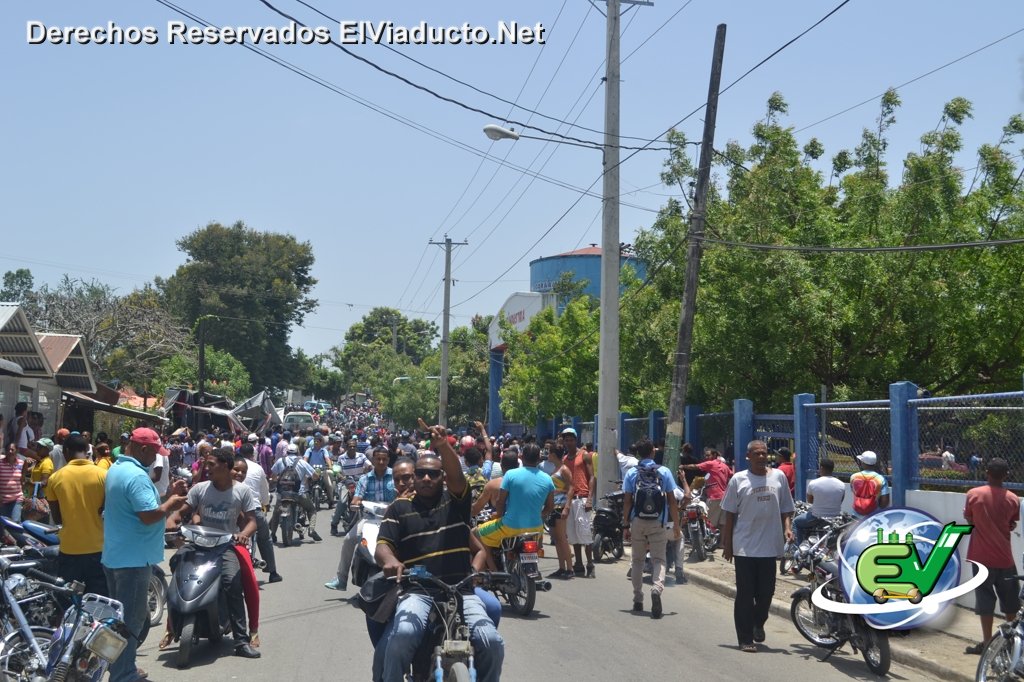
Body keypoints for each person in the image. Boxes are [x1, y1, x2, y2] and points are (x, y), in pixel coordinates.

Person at [373, 423, 503, 682]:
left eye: (433, 474)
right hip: (418, 592)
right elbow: (383, 545)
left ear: (443, 477)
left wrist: (443, 446)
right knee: (403, 635)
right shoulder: (398, 509)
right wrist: (390, 561)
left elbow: (457, 477)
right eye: (420, 474)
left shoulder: (456, 502)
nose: (426, 479)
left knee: (492, 642)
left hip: (461, 591)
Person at [103, 428, 188, 682]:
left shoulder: (117, 469)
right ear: (142, 449)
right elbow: (149, 516)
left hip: (117, 554)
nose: (157, 458)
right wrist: (171, 504)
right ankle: (123, 674)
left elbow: (143, 504)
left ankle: (121, 666)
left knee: (118, 620)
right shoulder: (137, 476)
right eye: (155, 453)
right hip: (132, 559)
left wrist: (167, 494)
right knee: (131, 620)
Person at [175, 448, 261, 658]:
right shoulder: (200, 489)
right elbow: (181, 512)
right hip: (198, 544)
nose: (207, 467)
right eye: (206, 463)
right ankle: (173, 626)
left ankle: (241, 641)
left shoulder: (242, 491)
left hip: (225, 546)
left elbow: (252, 521)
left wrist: (243, 534)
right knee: (176, 563)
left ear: (225, 466)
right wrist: (172, 523)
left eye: (211, 464)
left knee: (232, 582)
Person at [721, 440, 794, 653]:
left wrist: (787, 528)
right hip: (744, 546)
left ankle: (758, 622)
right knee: (745, 593)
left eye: (764, 454)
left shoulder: (778, 476)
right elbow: (730, 513)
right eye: (757, 454)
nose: (761, 457)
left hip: (769, 545)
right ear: (748, 457)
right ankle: (745, 638)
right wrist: (728, 544)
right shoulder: (738, 479)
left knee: (767, 592)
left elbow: (786, 509)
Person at [964, 458, 1021, 655]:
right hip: (1005, 558)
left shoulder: (973, 494)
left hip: (981, 558)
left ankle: (987, 642)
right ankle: (1012, 643)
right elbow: (1012, 524)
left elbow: (969, 519)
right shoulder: (1014, 499)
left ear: (987, 472)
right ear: (1006, 475)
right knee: (1011, 602)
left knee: (985, 601)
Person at [622, 440, 680, 618]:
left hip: (638, 521)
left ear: (638, 454)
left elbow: (627, 501)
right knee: (659, 560)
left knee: (637, 561)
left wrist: (625, 524)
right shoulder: (664, 472)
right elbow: (671, 500)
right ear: (653, 453)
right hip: (658, 522)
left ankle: (638, 599)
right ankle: (656, 588)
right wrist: (676, 524)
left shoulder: (631, 473)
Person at [475, 443, 554, 570]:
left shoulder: (510, 475)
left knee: (477, 533)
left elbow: (500, 501)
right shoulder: (547, 479)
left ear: (521, 457)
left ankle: (494, 570)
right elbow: (550, 507)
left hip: (510, 526)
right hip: (536, 529)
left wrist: (498, 514)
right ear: (539, 458)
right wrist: (537, 515)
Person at [46, 434, 108, 595]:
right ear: (87, 450)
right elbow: (107, 509)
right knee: (98, 599)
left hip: (70, 549)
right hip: (98, 548)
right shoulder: (103, 475)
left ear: (66, 451)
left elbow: (58, 518)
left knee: (69, 601)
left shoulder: (55, 478)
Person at [327, 447, 395, 591]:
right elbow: (357, 496)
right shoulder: (365, 478)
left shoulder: (395, 476)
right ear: (373, 460)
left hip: (393, 519)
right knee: (348, 540)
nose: (381, 462)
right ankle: (341, 579)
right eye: (378, 459)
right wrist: (355, 502)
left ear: (388, 460)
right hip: (370, 519)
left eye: (384, 459)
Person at [238, 444, 281, 583]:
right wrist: (266, 503)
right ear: (253, 454)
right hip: (255, 509)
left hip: (236, 510)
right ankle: (272, 572)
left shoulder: (233, 466)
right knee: (265, 538)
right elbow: (264, 491)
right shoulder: (257, 468)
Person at [269, 443, 322, 543]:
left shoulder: (280, 461)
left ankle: (273, 534)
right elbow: (315, 476)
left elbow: (274, 476)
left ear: (287, 452)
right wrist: (313, 478)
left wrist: (274, 482)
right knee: (311, 510)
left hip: (282, 494)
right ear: (297, 452)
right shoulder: (302, 462)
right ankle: (311, 530)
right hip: (299, 493)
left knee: (276, 513)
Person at [561, 427, 596, 577]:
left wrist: (590, 498)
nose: (568, 442)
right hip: (570, 499)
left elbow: (592, 477)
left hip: (582, 498)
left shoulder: (584, 456)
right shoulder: (564, 459)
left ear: (576, 440)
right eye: (566, 440)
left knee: (585, 533)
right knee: (573, 534)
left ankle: (590, 564)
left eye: (571, 440)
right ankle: (579, 564)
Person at [679, 446, 732, 532]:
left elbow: (695, 466)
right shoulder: (724, 466)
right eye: (705, 455)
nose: (705, 457)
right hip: (724, 497)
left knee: (709, 521)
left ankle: (708, 540)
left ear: (714, 455)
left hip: (714, 497)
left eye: (708, 455)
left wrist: (683, 466)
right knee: (722, 523)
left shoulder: (711, 464)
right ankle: (721, 544)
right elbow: (731, 474)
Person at [793, 458, 845, 543]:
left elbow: (810, 501)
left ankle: (800, 549)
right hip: (835, 518)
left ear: (821, 468)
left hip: (816, 517)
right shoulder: (841, 484)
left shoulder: (813, 483)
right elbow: (840, 500)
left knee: (796, 522)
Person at [850, 450, 890, 517]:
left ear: (863, 462)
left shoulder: (854, 477)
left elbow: (854, 492)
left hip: (856, 514)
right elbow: (885, 502)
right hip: (874, 515)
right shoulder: (880, 479)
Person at [304, 432, 335, 507]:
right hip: (311, 471)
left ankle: (331, 500)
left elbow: (327, 459)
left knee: (329, 485)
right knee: (304, 483)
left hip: (322, 470)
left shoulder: (324, 451)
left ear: (321, 442)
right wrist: (304, 465)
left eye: (318, 441)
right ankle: (304, 499)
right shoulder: (309, 450)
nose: (316, 442)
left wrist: (330, 466)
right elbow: (305, 459)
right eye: (315, 441)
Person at [0, 440, 25, 521]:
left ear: (17, 451)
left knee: (15, 523)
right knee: (3, 525)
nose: (10, 452)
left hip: (16, 499)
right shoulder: (0, 463)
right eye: (8, 450)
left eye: (12, 450)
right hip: (2, 500)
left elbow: (22, 479)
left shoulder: (21, 463)